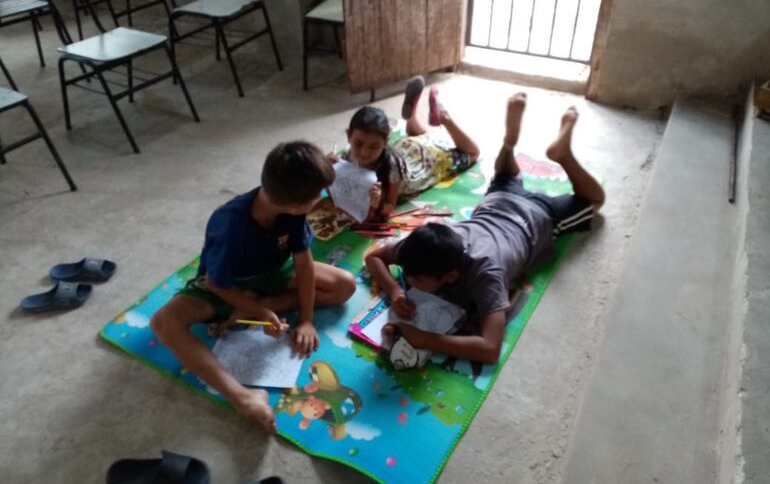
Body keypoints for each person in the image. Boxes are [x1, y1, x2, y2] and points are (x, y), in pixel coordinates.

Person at [365, 93, 605, 364]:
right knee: (505, 179)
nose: (408, 281)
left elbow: (490, 349)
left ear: (451, 276)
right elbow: (374, 255)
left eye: (417, 280)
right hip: (498, 202)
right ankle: (510, 143)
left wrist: (427, 340)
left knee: (594, 201)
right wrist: (394, 290)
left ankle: (556, 155)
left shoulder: (487, 274)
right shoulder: (428, 245)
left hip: (537, 218)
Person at [150, 141, 357, 431]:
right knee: (164, 322)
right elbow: (215, 282)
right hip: (228, 286)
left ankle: (255, 307)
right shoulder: (230, 223)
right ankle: (242, 396)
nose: (322, 199)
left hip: (275, 273)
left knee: (345, 285)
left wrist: (307, 320)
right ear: (298, 205)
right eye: (318, 196)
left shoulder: (292, 213)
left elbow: (304, 264)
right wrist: (255, 309)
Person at [334, 76, 480, 221]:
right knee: (418, 136)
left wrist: (377, 204)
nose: (364, 153)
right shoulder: (347, 154)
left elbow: (390, 207)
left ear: (386, 143)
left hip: (425, 162)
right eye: (358, 144)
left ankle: (445, 117)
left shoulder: (392, 168)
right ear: (349, 136)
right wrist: (327, 170)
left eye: (374, 146)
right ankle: (411, 118)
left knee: (472, 153)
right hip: (408, 148)